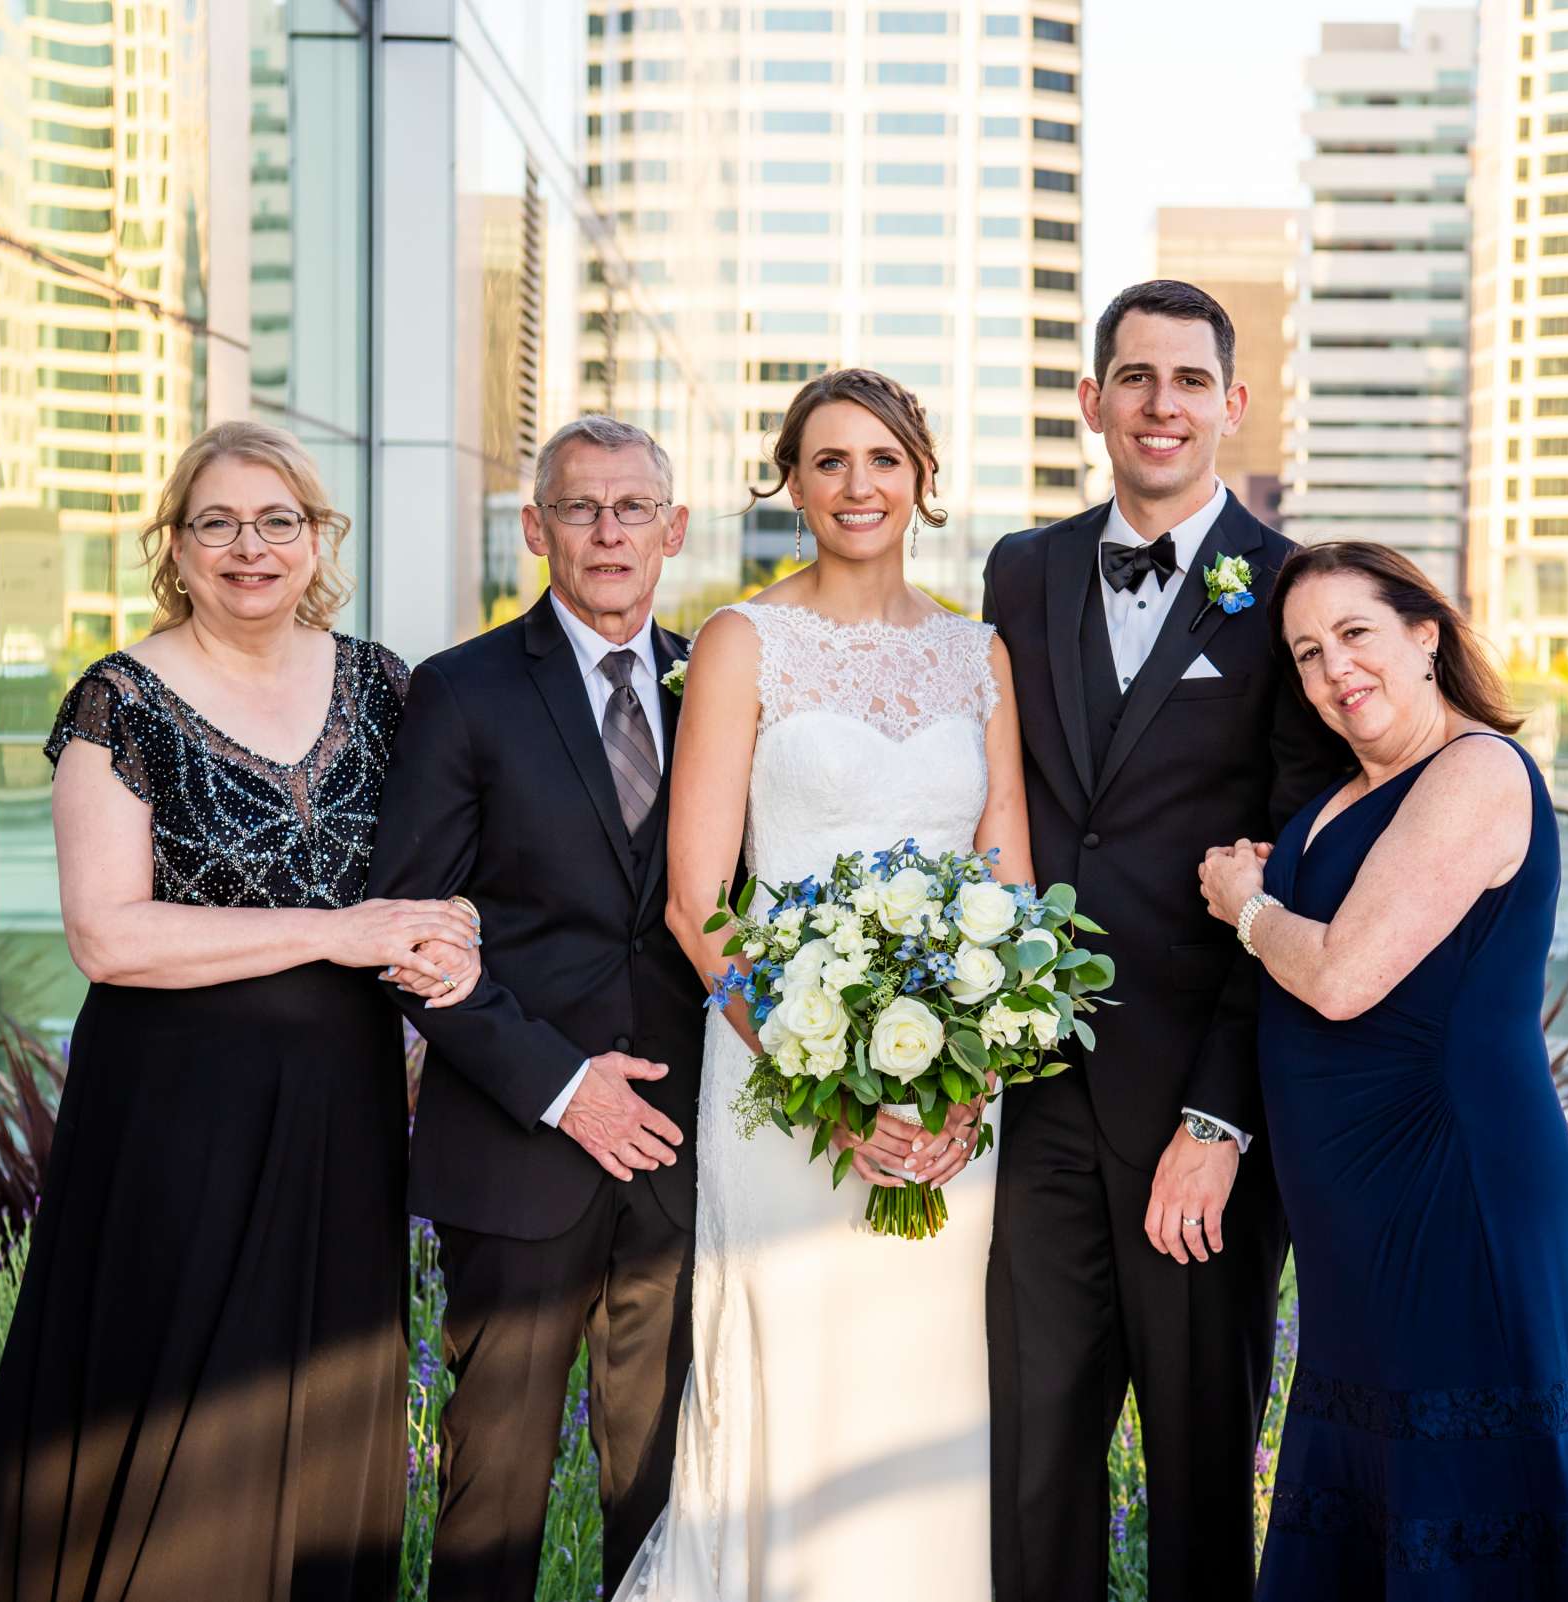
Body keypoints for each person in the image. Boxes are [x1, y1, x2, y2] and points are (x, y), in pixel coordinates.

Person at [0, 421, 482, 1602]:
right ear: (174, 548)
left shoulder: (384, 686)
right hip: (172, 1116)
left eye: (277, 521)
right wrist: (336, 931)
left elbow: (441, 872)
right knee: (175, 1404)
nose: (250, 547)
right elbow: (107, 934)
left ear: (318, 539)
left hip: (341, 1109)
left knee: (321, 1405)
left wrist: (456, 928)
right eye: (218, 523)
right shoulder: (118, 701)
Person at [620, 368, 1032, 1602]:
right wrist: (837, 1093)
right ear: (791, 484)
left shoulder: (981, 654)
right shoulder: (747, 642)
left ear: (923, 478)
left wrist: (974, 1078)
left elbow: (1006, 879)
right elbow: (700, 904)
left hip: (956, 1105)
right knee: (798, 1384)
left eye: (884, 459)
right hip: (784, 1091)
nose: (860, 485)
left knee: (925, 1395)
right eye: (830, 461)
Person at [979, 279, 1356, 1601]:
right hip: (1037, 1100)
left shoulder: (1288, 592)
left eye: (1190, 381)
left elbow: (1300, 876)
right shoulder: (1019, 568)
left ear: (1233, 406)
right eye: (1135, 377)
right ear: (1093, 401)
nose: (1162, 405)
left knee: (1201, 1477)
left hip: (1200, 1111)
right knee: (1031, 1464)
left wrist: (1221, 1118)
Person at [1197, 542, 1568, 1600]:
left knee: (1463, 1473)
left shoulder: (1477, 770)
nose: (1332, 670)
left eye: (1355, 635)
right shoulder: (1357, 787)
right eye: (1307, 654)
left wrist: (1246, 908)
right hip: (1361, 1214)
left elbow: (1344, 973)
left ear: (1425, 634)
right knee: (1383, 1467)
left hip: (1453, 1184)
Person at [364, 416, 704, 1602]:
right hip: (517, 1150)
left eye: (632, 508)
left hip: (680, 1153)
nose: (608, 532)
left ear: (675, 528)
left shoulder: (717, 676)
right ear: (535, 527)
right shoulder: (460, 693)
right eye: (579, 506)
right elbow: (412, 931)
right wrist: (567, 1089)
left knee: (662, 1485)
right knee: (494, 1486)